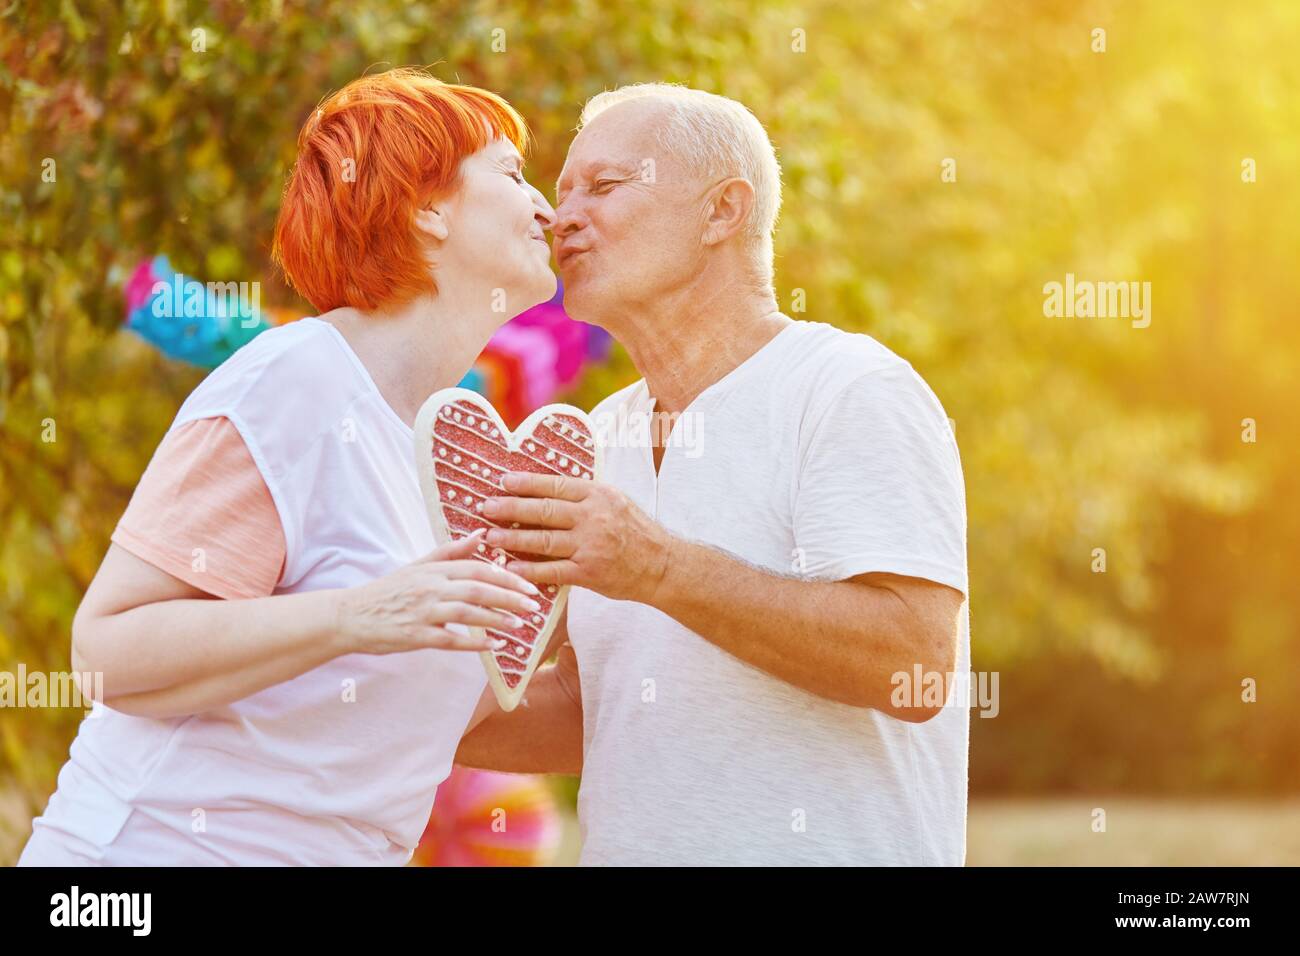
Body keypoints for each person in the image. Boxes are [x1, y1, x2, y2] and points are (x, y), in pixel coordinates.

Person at [19, 68, 555, 866]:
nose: (546, 206)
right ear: (427, 208)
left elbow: (443, 718)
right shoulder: (296, 380)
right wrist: (356, 615)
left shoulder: (448, 455)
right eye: (513, 175)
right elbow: (106, 652)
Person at [458, 84, 971, 865]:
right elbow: (596, 705)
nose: (562, 218)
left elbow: (915, 663)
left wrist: (656, 567)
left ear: (722, 211)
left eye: (603, 186)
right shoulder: (593, 440)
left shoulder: (848, 388)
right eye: (561, 195)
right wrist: (385, 700)